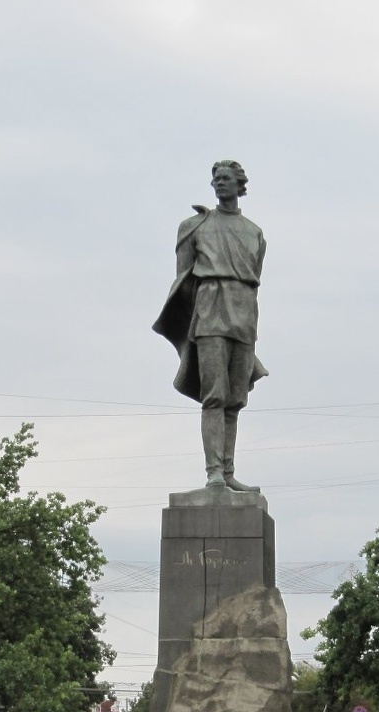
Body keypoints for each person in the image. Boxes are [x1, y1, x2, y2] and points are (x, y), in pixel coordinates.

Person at [153, 159, 268, 491]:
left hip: (245, 312)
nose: (219, 183)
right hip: (210, 310)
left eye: (226, 178)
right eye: (215, 178)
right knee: (214, 396)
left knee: (235, 398)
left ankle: (228, 472)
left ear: (239, 184)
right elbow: (182, 281)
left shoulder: (254, 232)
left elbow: (255, 276)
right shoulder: (194, 226)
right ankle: (213, 473)